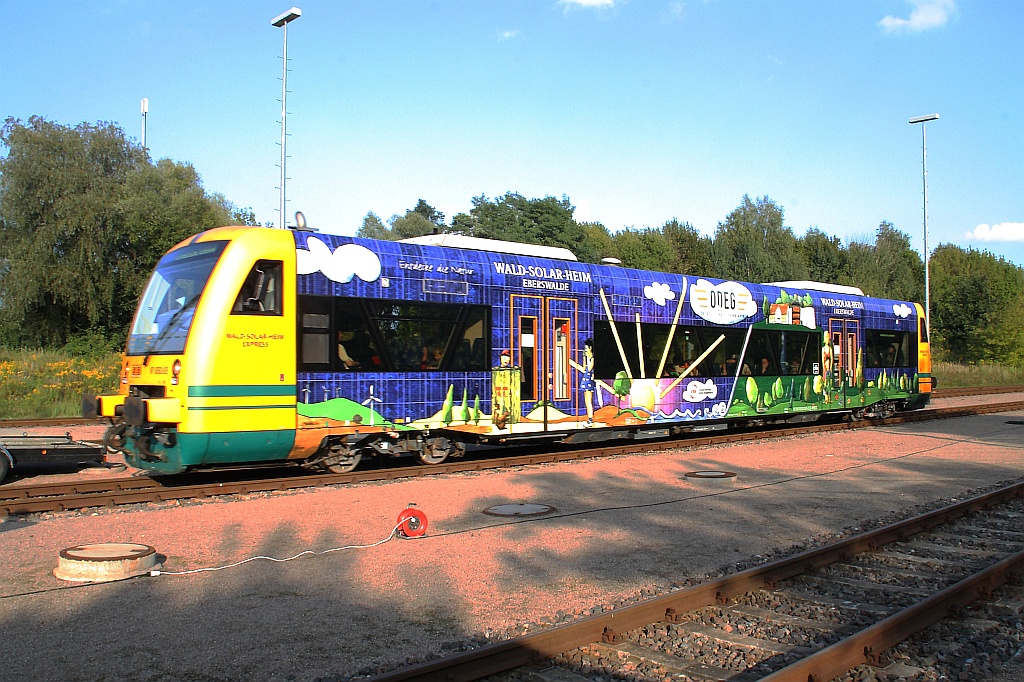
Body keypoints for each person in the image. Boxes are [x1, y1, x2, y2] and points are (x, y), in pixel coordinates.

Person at [581, 339, 595, 427]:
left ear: (590, 348)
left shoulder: (593, 358)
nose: (585, 349)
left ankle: (591, 419)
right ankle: (589, 418)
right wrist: (584, 358)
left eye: (586, 348)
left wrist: (588, 357)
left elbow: (589, 369)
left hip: (589, 381)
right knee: (586, 402)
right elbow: (583, 369)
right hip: (585, 380)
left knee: (589, 401)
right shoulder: (588, 357)